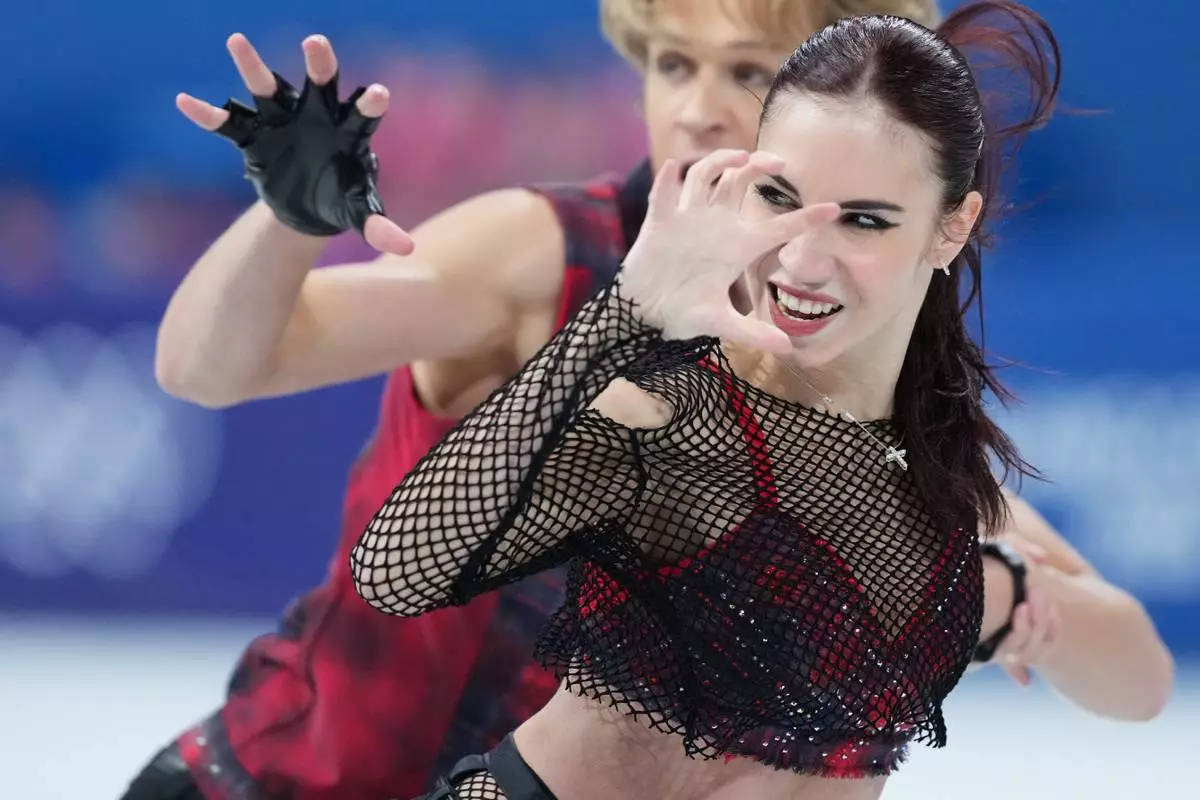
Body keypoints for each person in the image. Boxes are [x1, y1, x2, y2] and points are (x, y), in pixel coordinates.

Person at [125, 1, 1171, 799]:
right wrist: (288, 222)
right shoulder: (551, 255)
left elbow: (1129, 666)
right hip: (287, 778)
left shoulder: (864, 401)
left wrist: (997, 597)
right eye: (673, 63)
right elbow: (208, 371)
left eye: (748, 71)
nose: (698, 107)